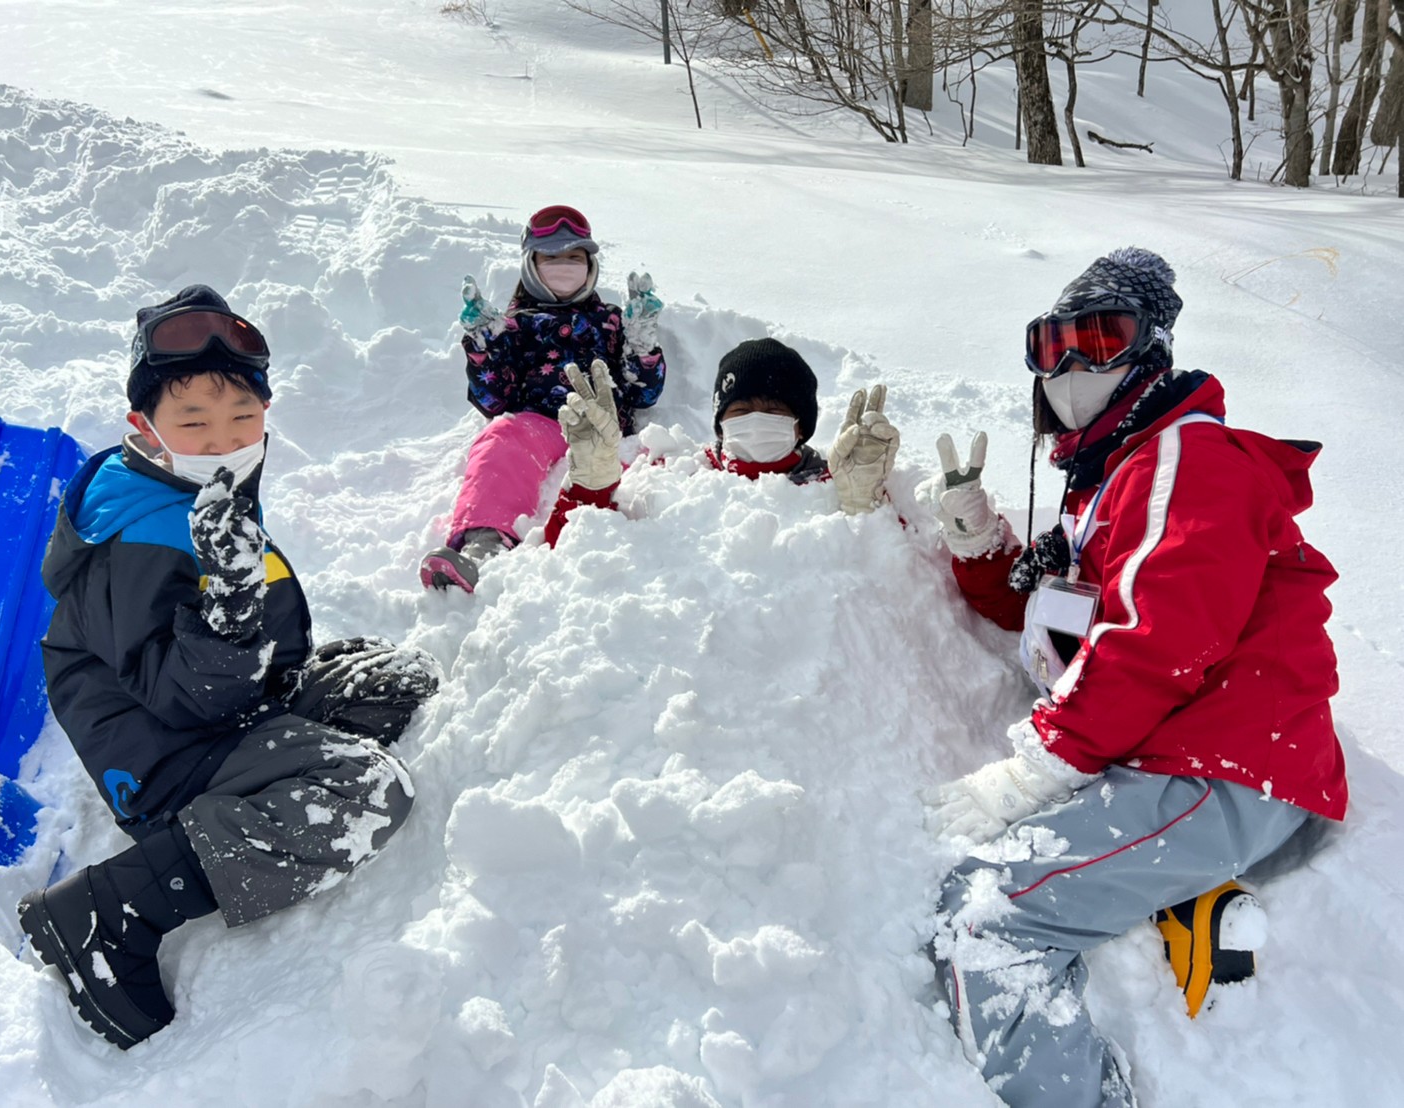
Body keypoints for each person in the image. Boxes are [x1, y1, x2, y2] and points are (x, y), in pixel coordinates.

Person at [915, 248, 1347, 1108]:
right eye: (1052, 346)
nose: (1072, 366)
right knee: (992, 896)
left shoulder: (1187, 460)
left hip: (1223, 763)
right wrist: (980, 547)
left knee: (990, 919)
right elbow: (1072, 619)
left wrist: (1037, 767)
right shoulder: (1114, 478)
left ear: (1151, 351)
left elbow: (1158, 641)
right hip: (1179, 756)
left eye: (1099, 337)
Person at [19, 285, 438, 1050]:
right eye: (195, 423)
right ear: (144, 428)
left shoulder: (191, 484)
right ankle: (111, 912)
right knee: (370, 789)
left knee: (386, 681)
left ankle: (277, 767)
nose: (224, 440)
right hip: (169, 755)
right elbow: (182, 700)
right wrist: (235, 609)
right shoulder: (141, 535)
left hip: (234, 702)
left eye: (243, 418)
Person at [420, 204, 667, 592]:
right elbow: (493, 402)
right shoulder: (515, 326)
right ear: (532, 265)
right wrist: (485, 347)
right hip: (540, 425)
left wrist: (642, 343)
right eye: (552, 257)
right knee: (501, 439)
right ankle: (484, 545)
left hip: (606, 430)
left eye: (574, 257)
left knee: (657, 460)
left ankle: (661, 547)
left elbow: (645, 393)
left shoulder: (613, 321)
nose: (565, 266)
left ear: (591, 266)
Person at [543, 337, 900, 543]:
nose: (756, 420)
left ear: (801, 427)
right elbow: (578, 561)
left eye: (774, 411)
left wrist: (866, 506)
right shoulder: (673, 475)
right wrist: (588, 488)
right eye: (741, 409)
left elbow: (905, 579)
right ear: (719, 424)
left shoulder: (839, 480)